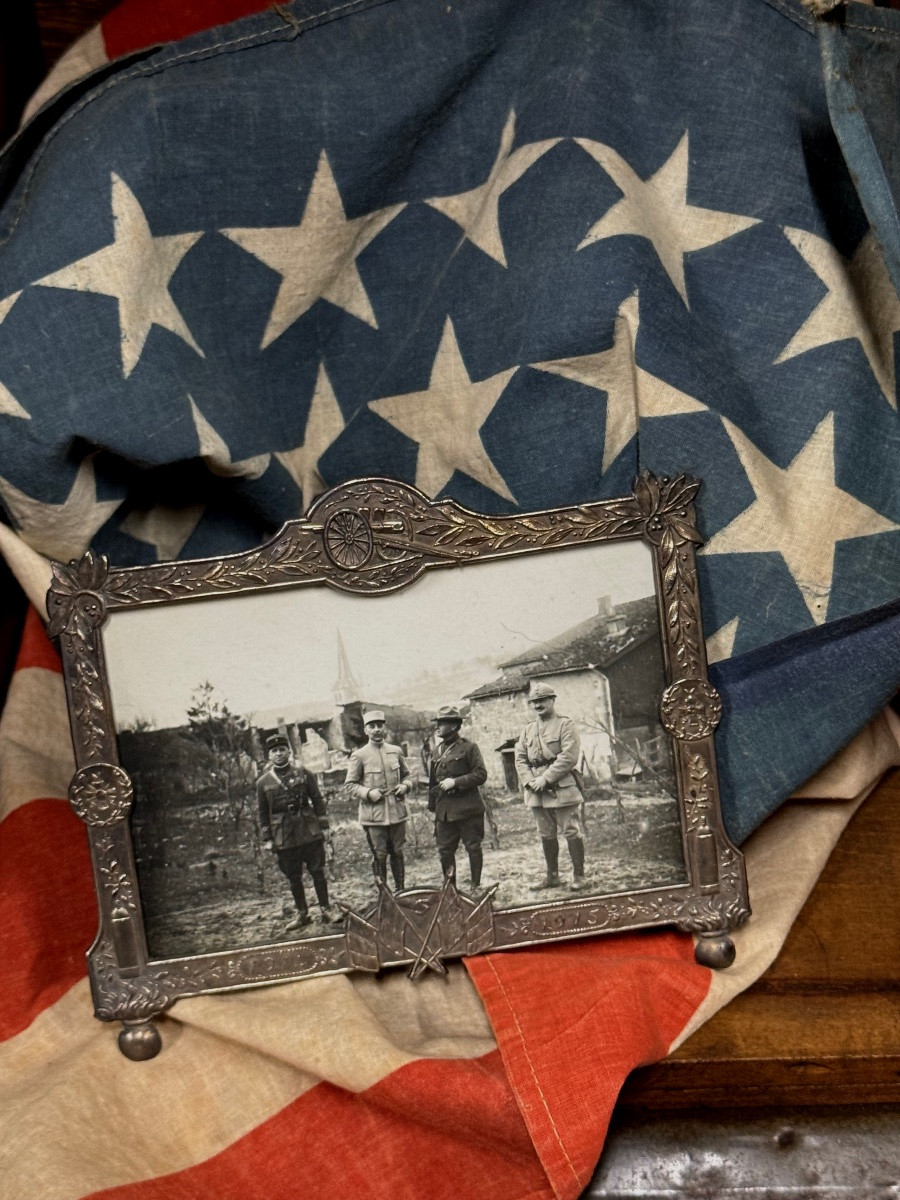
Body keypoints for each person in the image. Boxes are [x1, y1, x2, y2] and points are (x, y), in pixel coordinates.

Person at [256, 733, 342, 928]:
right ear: (269, 755)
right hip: (283, 835)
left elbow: (317, 799)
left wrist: (324, 826)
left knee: (317, 871)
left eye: (282, 749)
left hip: (308, 829)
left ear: (289, 751)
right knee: (293, 876)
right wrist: (268, 837)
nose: (278, 754)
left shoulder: (304, 773)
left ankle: (326, 909)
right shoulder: (263, 783)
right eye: (274, 751)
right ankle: (302, 913)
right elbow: (263, 812)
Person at [515, 682, 587, 891]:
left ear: (552, 700)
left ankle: (579, 876)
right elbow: (520, 758)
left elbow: (569, 757)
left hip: (561, 786)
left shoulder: (565, 724)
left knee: (571, 831)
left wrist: (545, 778)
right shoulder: (528, 729)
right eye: (534, 702)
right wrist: (529, 780)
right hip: (536, 790)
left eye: (542, 701)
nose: (538, 705)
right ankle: (552, 876)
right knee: (546, 834)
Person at [344, 710, 412, 891]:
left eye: (379, 725)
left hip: (397, 812)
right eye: (372, 726)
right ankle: (384, 894)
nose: (376, 730)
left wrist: (405, 786)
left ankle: (400, 890)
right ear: (366, 730)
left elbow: (407, 776)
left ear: (384, 727)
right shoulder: (359, 755)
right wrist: (368, 792)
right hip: (374, 816)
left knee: (397, 853)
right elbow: (350, 785)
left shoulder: (396, 751)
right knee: (380, 855)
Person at [428, 705, 488, 891]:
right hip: (444, 812)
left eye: (441, 723)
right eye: (436, 723)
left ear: (453, 726)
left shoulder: (469, 748)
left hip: (468, 809)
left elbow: (481, 774)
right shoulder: (436, 751)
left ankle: (475, 886)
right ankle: (450, 888)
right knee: (445, 850)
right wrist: (432, 809)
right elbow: (432, 783)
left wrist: (455, 782)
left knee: (473, 847)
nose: (436, 727)